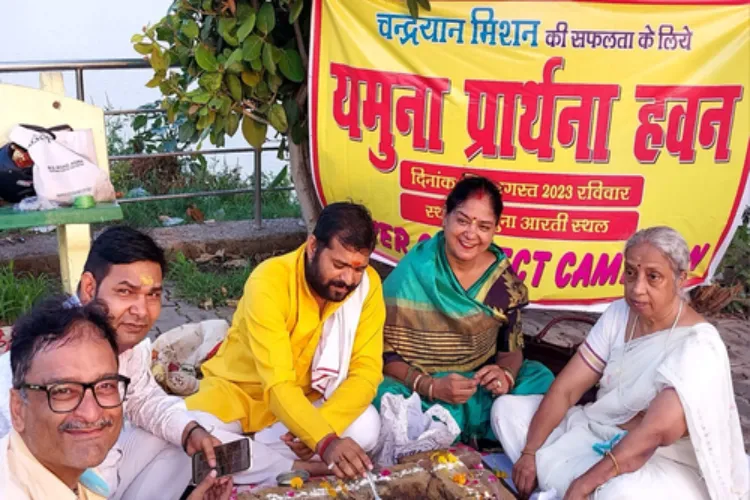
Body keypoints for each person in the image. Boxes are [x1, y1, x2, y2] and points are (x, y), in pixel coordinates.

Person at [494, 226, 749, 500]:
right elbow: (567, 388)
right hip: (598, 432)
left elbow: (655, 433)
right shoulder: (620, 313)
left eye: (653, 277)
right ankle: (560, 481)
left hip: (663, 462)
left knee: (618, 493)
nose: (638, 288)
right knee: (506, 410)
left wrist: (584, 483)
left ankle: (567, 485)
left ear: (681, 279)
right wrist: (530, 452)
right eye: (630, 273)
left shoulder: (699, 344)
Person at [0, 226, 221, 500]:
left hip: (98, 476)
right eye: (126, 292)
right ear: (90, 287)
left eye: (152, 294)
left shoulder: (130, 342)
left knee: (185, 439)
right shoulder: (40, 359)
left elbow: (144, 398)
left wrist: (189, 432)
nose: (141, 312)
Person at [187, 202, 385, 484]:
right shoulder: (269, 282)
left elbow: (366, 371)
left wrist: (318, 428)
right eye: (339, 265)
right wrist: (324, 441)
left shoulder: (367, 287)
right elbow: (277, 385)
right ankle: (301, 466)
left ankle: (265, 462)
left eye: (358, 268)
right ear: (313, 246)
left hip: (302, 406)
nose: (348, 279)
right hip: (237, 396)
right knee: (192, 435)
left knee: (366, 426)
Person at [373, 176, 554, 445]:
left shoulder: (502, 282)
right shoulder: (413, 272)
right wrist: (431, 386)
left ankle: (464, 430)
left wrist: (504, 375)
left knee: (541, 380)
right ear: (444, 216)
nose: (471, 234)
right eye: (462, 220)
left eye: (483, 226)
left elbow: (511, 352)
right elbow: (384, 355)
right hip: (421, 388)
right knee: (380, 395)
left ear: (494, 229)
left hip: (476, 389)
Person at [0, 297, 125, 499]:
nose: (91, 413)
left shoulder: (72, 473)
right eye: (63, 391)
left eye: (105, 386)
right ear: (17, 408)